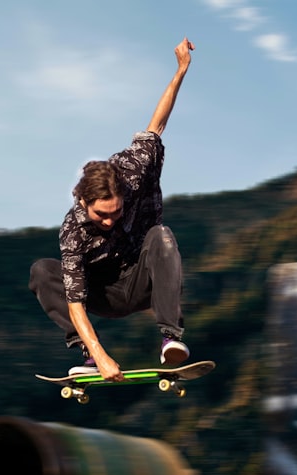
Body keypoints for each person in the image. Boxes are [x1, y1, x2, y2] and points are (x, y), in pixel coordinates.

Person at [29, 37, 195, 382]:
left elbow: (158, 124)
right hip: (100, 295)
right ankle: (87, 353)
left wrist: (180, 70)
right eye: (100, 215)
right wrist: (103, 357)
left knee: (161, 236)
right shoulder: (73, 230)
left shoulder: (133, 168)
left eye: (115, 212)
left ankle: (170, 338)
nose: (108, 221)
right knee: (43, 270)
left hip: (142, 281)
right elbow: (75, 302)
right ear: (82, 201)